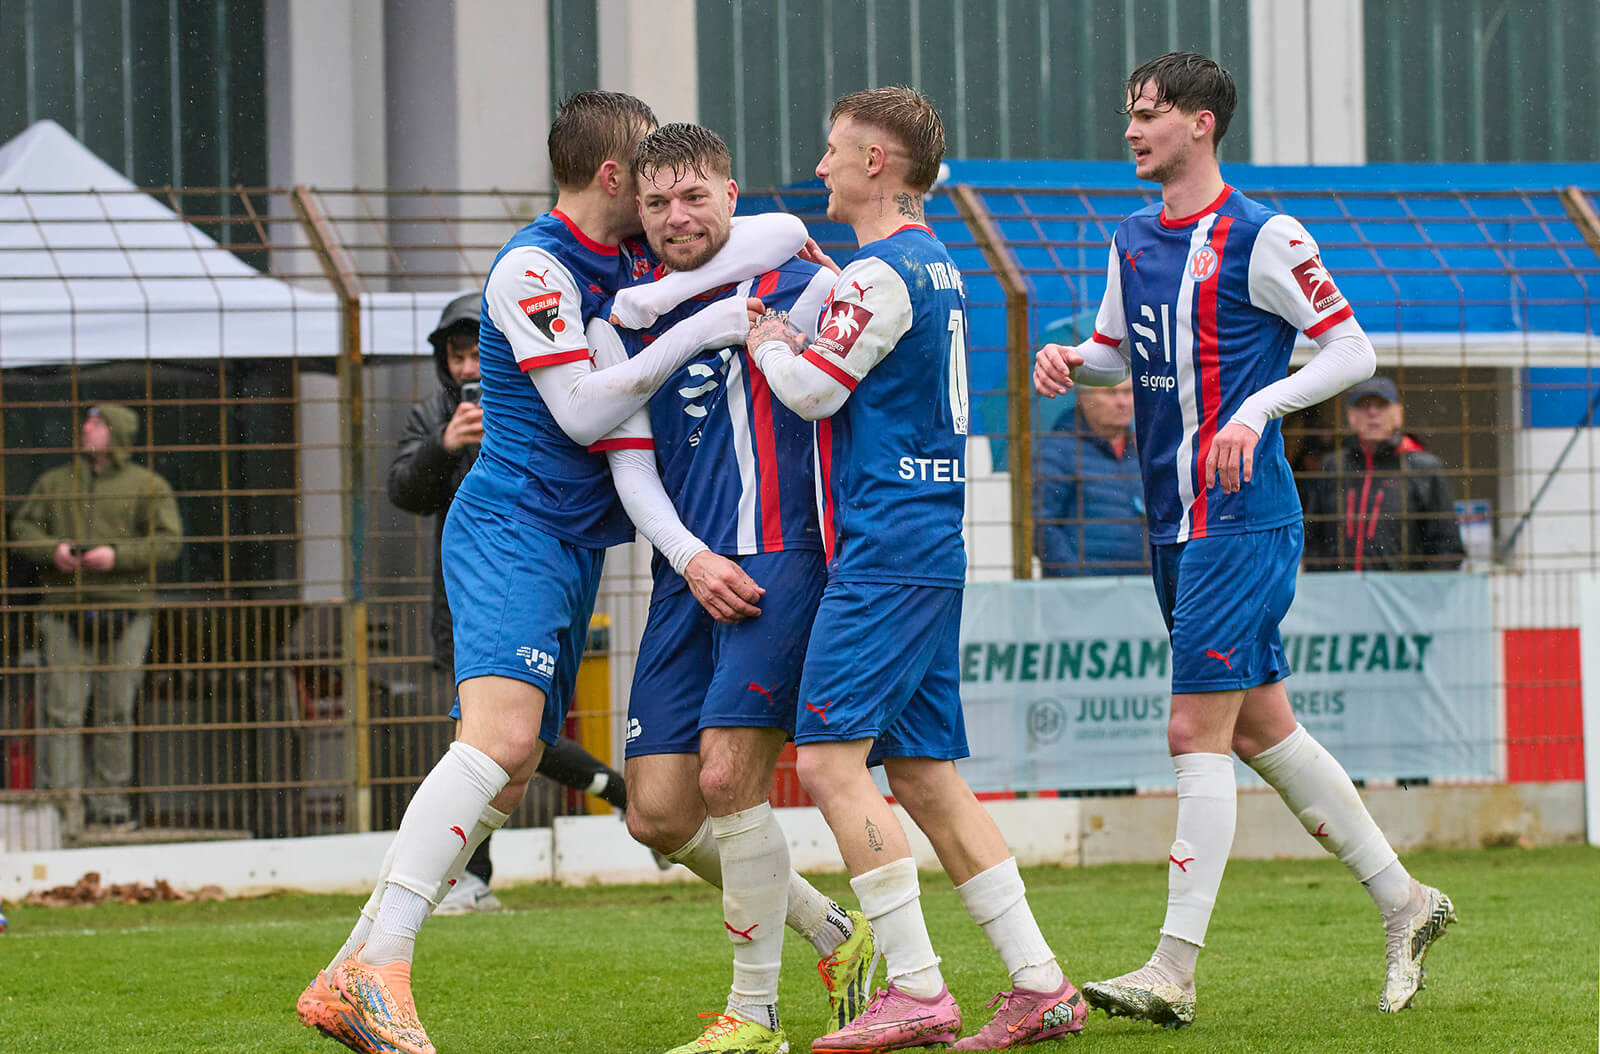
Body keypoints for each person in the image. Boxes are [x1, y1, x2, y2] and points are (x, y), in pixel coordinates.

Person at [297, 90, 809, 1054]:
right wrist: (710, 326)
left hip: (572, 545)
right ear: (614, 175)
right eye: (648, 172)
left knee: (522, 758)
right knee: (499, 746)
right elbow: (580, 413)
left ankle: (352, 968)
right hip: (512, 529)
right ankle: (377, 968)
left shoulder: (626, 257)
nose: (666, 193)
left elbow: (768, 225)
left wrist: (783, 259)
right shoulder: (532, 265)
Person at [1032, 52, 1456, 1028]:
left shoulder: (1264, 234)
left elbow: (1353, 348)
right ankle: (1405, 900)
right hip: (1172, 516)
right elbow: (1113, 349)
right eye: (1129, 113)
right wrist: (1070, 359)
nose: (1132, 129)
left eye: (1149, 114)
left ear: (1202, 125)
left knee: (1194, 732)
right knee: (1260, 724)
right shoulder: (1131, 237)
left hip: (1241, 515)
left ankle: (1172, 968)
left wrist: (1255, 409)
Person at [748, 87, 1086, 1052]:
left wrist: (772, 342)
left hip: (888, 545)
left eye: (833, 150)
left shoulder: (884, 271)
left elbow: (813, 392)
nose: (819, 167)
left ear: (877, 165)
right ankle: (1040, 983)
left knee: (827, 761)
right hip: (928, 539)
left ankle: (918, 987)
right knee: (928, 776)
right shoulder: (938, 263)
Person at [595, 123, 872, 1054]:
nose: (678, 217)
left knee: (726, 779)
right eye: (659, 201)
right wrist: (686, 557)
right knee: (659, 813)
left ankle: (753, 1016)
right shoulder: (627, 312)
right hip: (687, 571)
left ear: (731, 191)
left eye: (695, 197)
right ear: (638, 208)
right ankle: (832, 931)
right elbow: (630, 463)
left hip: (784, 561)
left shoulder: (808, 280)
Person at [385, 291, 629, 916]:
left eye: (475, 353)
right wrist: (445, 445)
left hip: (536, 579)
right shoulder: (433, 414)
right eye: (457, 356)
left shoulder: (528, 397)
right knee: (485, 736)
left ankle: (459, 877)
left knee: (508, 736)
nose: (469, 368)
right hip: (461, 594)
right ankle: (467, 877)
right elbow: (405, 492)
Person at [11, 403, 182, 831]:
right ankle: (62, 810)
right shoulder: (54, 482)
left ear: (118, 433)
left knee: (115, 711)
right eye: (87, 421)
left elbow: (168, 542)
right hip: (64, 608)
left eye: (98, 422)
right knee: (62, 711)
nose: (86, 428)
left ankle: (111, 809)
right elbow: (21, 529)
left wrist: (117, 556)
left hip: (126, 607)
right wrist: (53, 550)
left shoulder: (147, 485)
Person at [1302, 376, 1465, 572]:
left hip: (1399, 596)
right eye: (1364, 406)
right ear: (1351, 416)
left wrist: (1420, 593)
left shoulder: (1423, 468)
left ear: (1398, 414)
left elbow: (1447, 545)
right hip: (1340, 594)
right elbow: (1312, 536)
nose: (1373, 413)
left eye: (1382, 405)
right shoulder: (1333, 465)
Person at [1033, 379, 1147, 576]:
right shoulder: (1059, 450)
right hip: (1081, 598)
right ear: (1084, 398)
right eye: (1111, 393)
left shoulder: (1142, 449)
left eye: (1129, 392)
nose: (1123, 402)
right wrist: (1077, 579)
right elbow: (1039, 525)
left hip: (1140, 593)